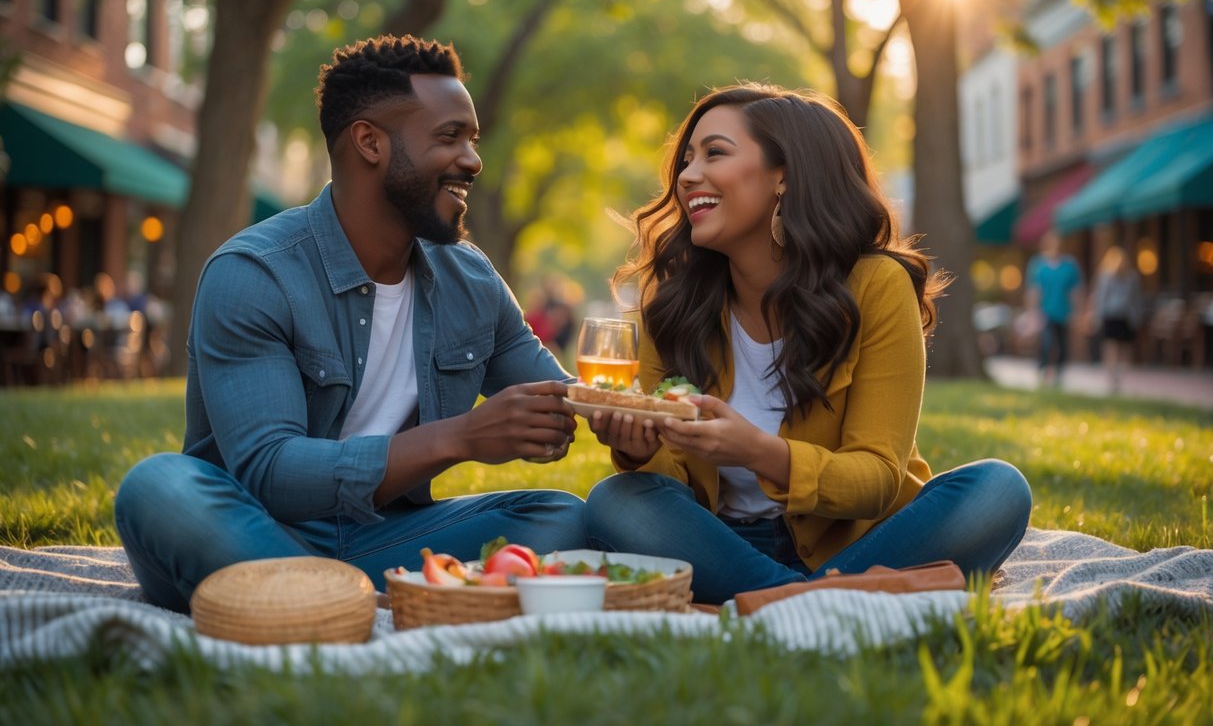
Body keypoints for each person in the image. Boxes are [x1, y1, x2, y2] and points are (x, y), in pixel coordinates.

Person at [115, 35, 585, 612]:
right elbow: (270, 471)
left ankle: (319, 605)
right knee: (160, 487)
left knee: (558, 514)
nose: (473, 159)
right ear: (370, 143)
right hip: (251, 530)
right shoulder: (254, 273)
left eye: (473, 139)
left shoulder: (471, 278)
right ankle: (355, 602)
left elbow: (560, 395)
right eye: (449, 137)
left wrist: (628, 421)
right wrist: (459, 437)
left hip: (389, 537)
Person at [581, 83, 1031, 605]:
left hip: (863, 542)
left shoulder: (875, 285)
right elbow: (673, 488)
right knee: (616, 501)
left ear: (784, 177)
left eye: (715, 153)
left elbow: (878, 477)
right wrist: (638, 452)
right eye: (686, 160)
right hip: (721, 544)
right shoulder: (674, 296)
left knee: (999, 490)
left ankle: (775, 602)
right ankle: (825, 601)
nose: (686, 176)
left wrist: (756, 450)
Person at [1025, 230, 1083, 387]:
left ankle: (1059, 373)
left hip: (1064, 311)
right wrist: (1032, 312)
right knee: (1047, 342)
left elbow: (1075, 291)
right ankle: (1043, 370)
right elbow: (1034, 290)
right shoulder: (1038, 265)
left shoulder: (1070, 266)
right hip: (1045, 312)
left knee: (1063, 344)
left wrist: (1077, 312)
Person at [1090, 245, 1142, 393]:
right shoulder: (1106, 276)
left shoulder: (1132, 277)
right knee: (1112, 346)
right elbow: (1101, 298)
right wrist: (1098, 316)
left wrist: (1136, 317)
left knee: (1122, 347)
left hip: (1124, 316)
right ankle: (1113, 374)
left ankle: (1119, 373)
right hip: (1111, 316)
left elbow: (1135, 298)